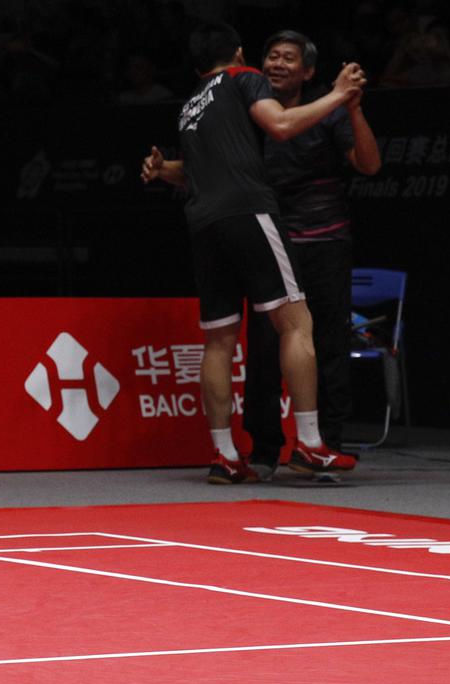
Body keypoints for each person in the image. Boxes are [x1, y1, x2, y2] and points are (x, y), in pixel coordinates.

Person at [141, 30, 381, 483]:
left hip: (206, 223)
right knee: (296, 324)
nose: (273, 65)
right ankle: (310, 445)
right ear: (239, 54)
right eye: (268, 56)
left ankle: (226, 456)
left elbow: (195, 172)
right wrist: (340, 93)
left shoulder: (192, 104)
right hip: (250, 215)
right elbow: (283, 126)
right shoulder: (243, 78)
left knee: (219, 341)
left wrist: (162, 170)